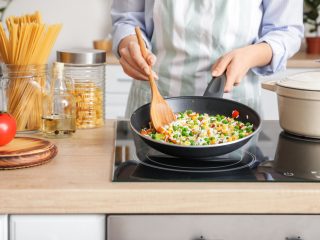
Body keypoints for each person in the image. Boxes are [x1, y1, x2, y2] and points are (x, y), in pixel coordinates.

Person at [111, 0, 303, 117]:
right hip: (156, 101)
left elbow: (286, 31)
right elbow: (128, 18)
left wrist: (251, 55)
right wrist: (129, 44)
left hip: (235, 105)